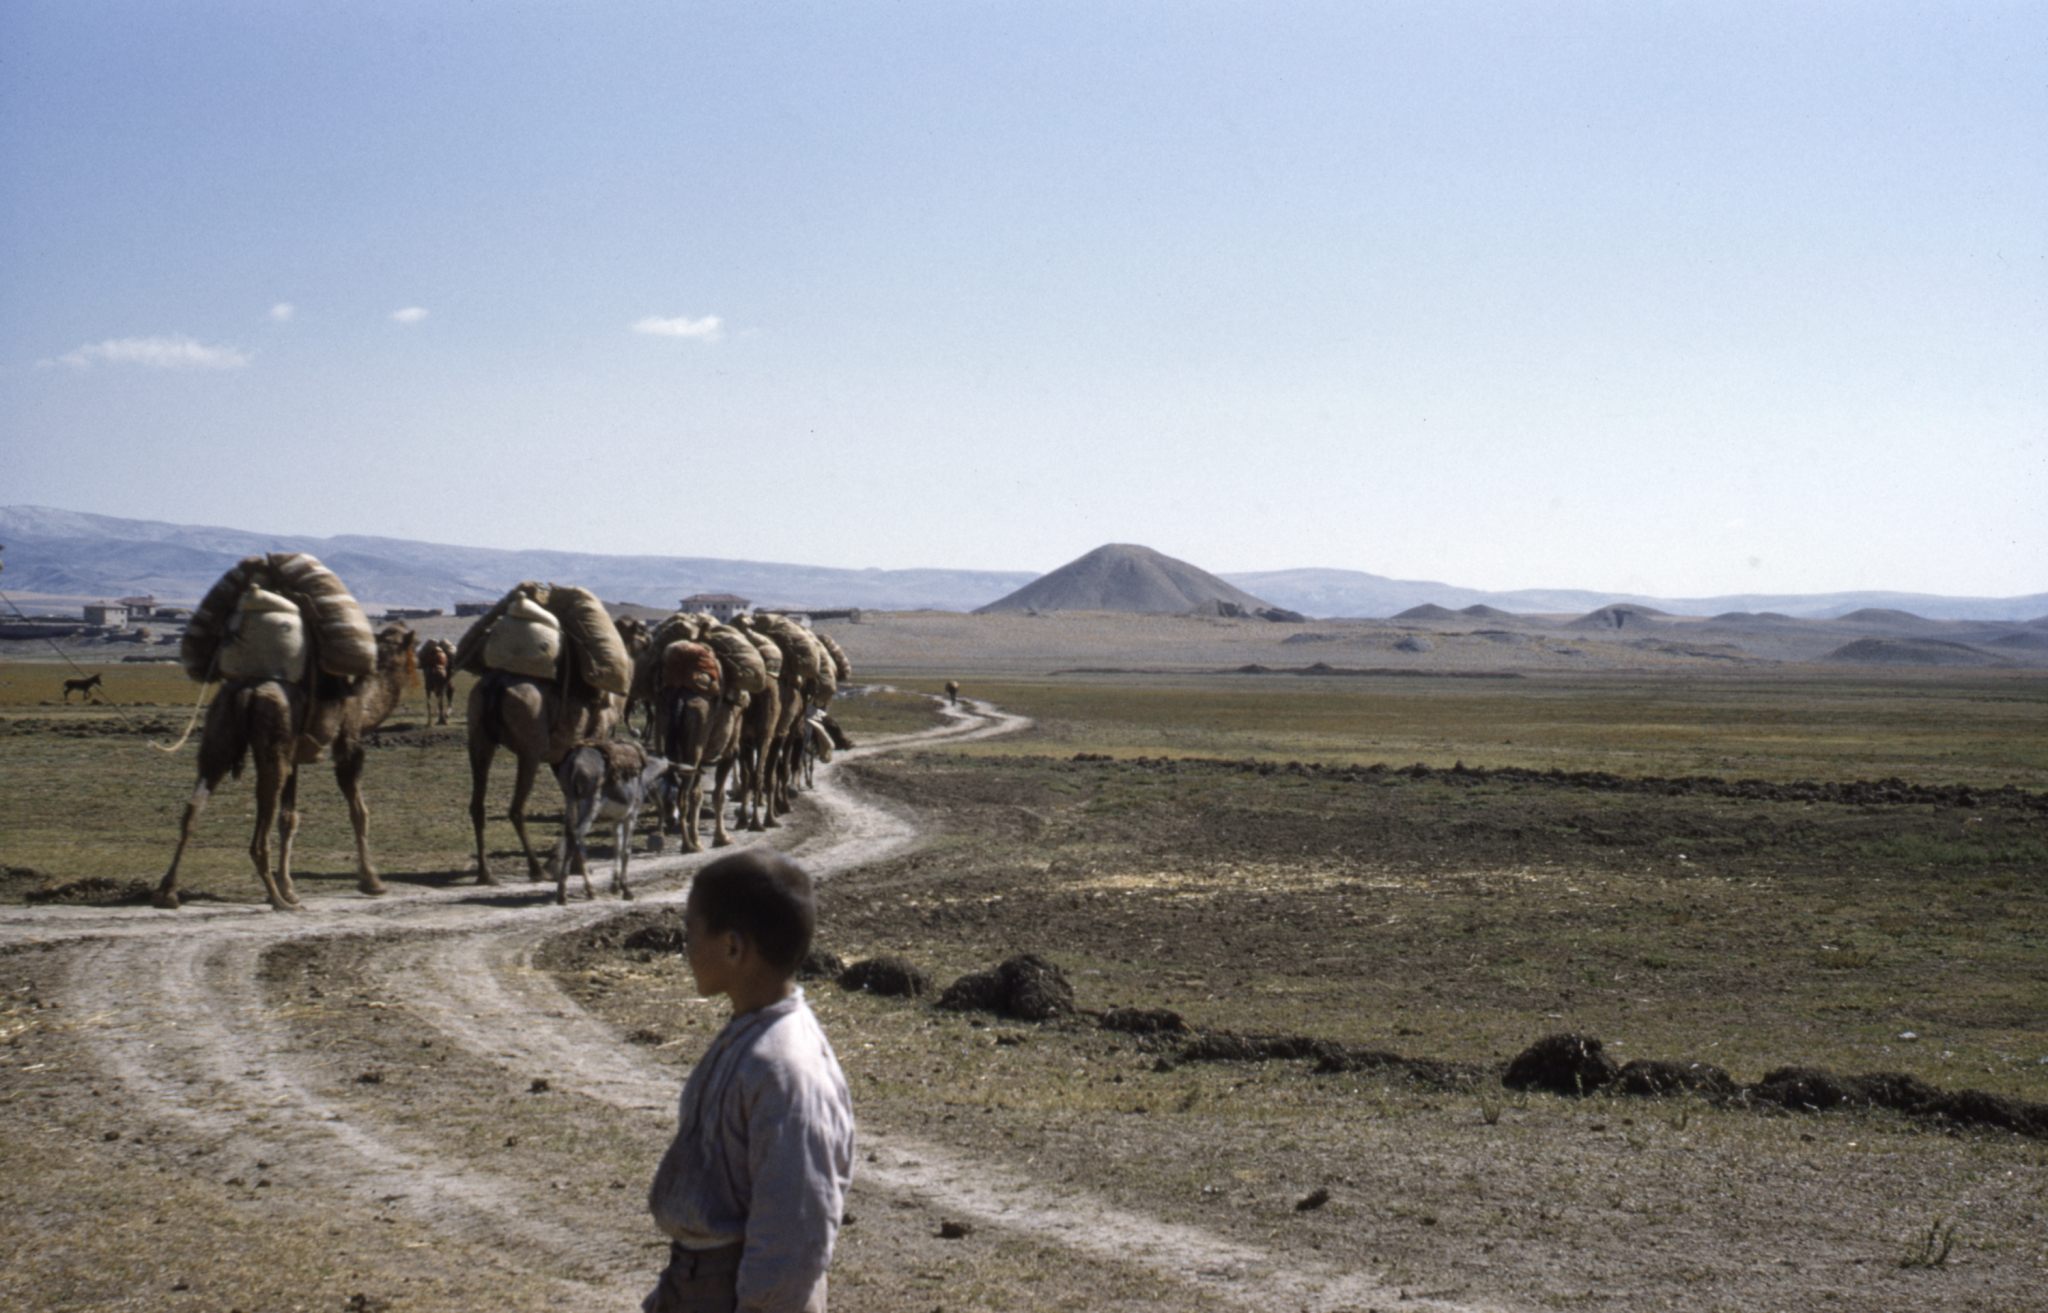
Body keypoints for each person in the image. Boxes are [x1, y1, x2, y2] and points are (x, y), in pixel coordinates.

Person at [643, 851, 856, 1313]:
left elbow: (795, 1237)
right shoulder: (749, 1036)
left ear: (733, 947)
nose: (686, 948)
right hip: (697, 1282)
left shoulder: (785, 1068)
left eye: (692, 932)